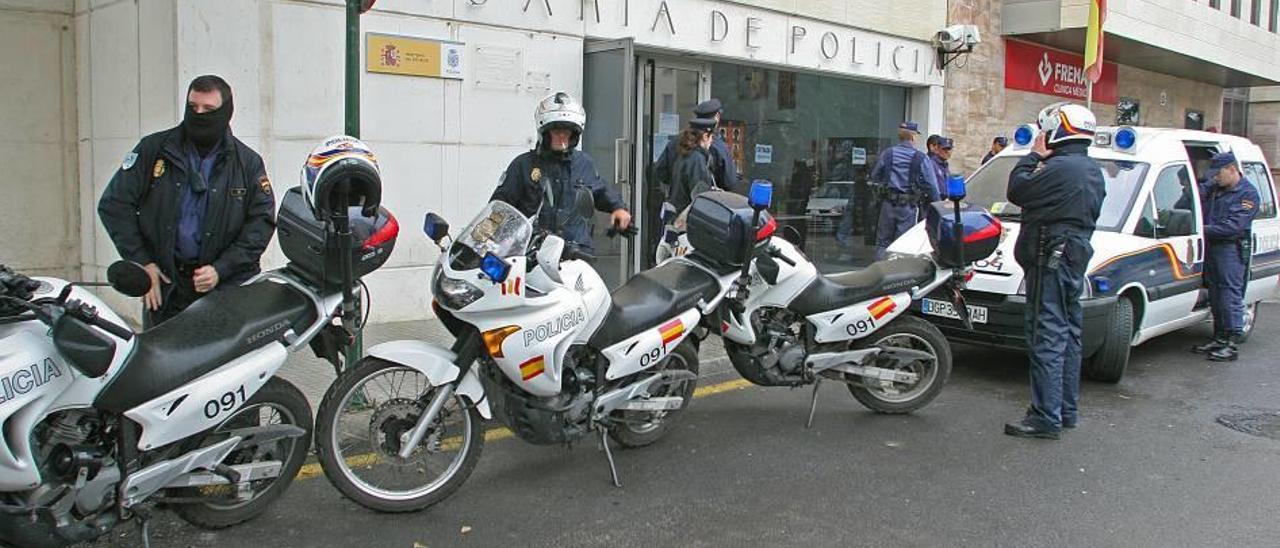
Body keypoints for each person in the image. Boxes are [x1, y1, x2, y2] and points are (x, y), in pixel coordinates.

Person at [98, 75, 275, 327]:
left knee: (222, 365)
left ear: (225, 112)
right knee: (162, 362)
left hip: (224, 291)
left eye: (209, 109)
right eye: (193, 107)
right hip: (167, 288)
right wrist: (143, 263)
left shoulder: (246, 163)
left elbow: (261, 224)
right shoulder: (154, 149)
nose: (199, 114)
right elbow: (114, 205)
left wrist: (221, 269)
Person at [1004, 103, 1106, 440]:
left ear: (1059, 129)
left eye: (1046, 131)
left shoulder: (1059, 167)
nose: (1043, 136)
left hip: (1051, 255)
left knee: (1046, 333)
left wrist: (1032, 156)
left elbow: (1017, 190)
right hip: (1070, 255)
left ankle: (1045, 416)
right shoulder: (1090, 168)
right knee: (1068, 332)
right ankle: (1065, 410)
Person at [492, 91, 631, 252]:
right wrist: (485, 237)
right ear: (545, 132)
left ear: (574, 135)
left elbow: (600, 191)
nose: (562, 136)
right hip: (533, 252)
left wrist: (619, 208)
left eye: (567, 131)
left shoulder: (584, 163)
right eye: (556, 131)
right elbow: (500, 206)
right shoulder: (523, 165)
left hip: (576, 252)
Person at [1189, 151, 1259, 362]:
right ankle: (1219, 337)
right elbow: (1189, 200)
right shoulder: (1215, 189)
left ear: (1231, 169)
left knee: (1229, 294)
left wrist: (1199, 230)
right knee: (1216, 294)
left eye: (1218, 173)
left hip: (1230, 248)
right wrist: (1207, 186)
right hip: (1212, 248)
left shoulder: (1247, 194)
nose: (1215, 178)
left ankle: (1231, 342)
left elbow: (1231, 227)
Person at [869, 122, 939, 260]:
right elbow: (931, 185)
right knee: (903, 243)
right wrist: (937, 204)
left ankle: (880, 272)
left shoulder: (887, 154)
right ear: (913, 137)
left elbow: (875, 176)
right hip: (908, 207)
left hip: (887, 205)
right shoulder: (920, 158)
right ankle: (898, 275)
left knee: (883, 242)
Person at [653, 98, 740, 194]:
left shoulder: (679, 141)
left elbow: (660, 170)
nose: (710, 141)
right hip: (698, 204)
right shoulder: (714, 149)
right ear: (717, 116)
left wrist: (676, 188)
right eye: (709, 137)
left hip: (677, 202)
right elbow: (730, 182)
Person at [925, 135, 954, 199]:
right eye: (944, 149)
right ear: (937, 149)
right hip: (935, 203)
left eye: (949, 149)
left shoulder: (945, 164)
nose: (947, 152)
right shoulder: (931, 163)